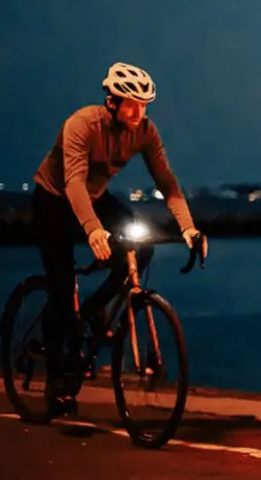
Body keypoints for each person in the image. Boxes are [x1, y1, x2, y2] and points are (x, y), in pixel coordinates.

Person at [31, 61, 208, 416]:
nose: (138, 112)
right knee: (62, 291)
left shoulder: (145, 131)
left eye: (144, 106)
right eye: (131, 104)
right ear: (111, 101)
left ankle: (94, 311)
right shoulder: (82, 124)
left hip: (96, 198)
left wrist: (189, 228)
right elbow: (74, 183)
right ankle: (55, 380)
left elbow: (166, 182)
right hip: (55, 200)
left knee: (139, 251)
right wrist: (93, 229)